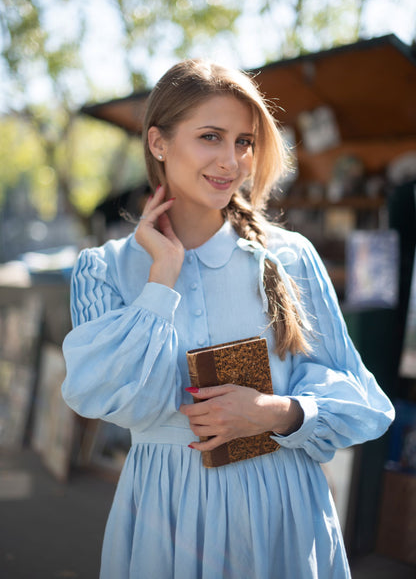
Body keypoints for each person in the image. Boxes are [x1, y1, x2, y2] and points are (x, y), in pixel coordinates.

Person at [62, 59, 395, 579]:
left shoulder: (290, 256)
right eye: (211, 137)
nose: (232, 160)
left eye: (244, 141)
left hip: (284, 513)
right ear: (158, 143)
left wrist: (274, 412)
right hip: (164, 519)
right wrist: (160, 283)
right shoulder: (102, 270)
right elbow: (111, 400)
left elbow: (366, 404)